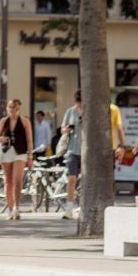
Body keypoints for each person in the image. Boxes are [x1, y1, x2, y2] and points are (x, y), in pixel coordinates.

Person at [0, 99, 34, 219]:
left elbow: (29, 139)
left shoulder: (24, 121)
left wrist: (30, 156)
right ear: (7, 108)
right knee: (8, 181)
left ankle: (17, 208)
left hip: (20, 152)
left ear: (19, 109)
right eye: (10, 107)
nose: (13, 110)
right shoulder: (3, 121)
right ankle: (10, 209)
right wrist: (0, 139)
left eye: (15, 108)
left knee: (17, 180)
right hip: (6, 152)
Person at [60, 91, 83, 219]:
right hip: (72, 150)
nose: (79, 105)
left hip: (86, 151)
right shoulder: (70, 111)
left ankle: (84, 207)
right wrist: (67, 129)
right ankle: (69, 209)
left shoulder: (90, 111)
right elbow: (62, 129)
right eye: (78, 103)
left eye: (81, 103)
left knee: (85, 180)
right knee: (71, 179)